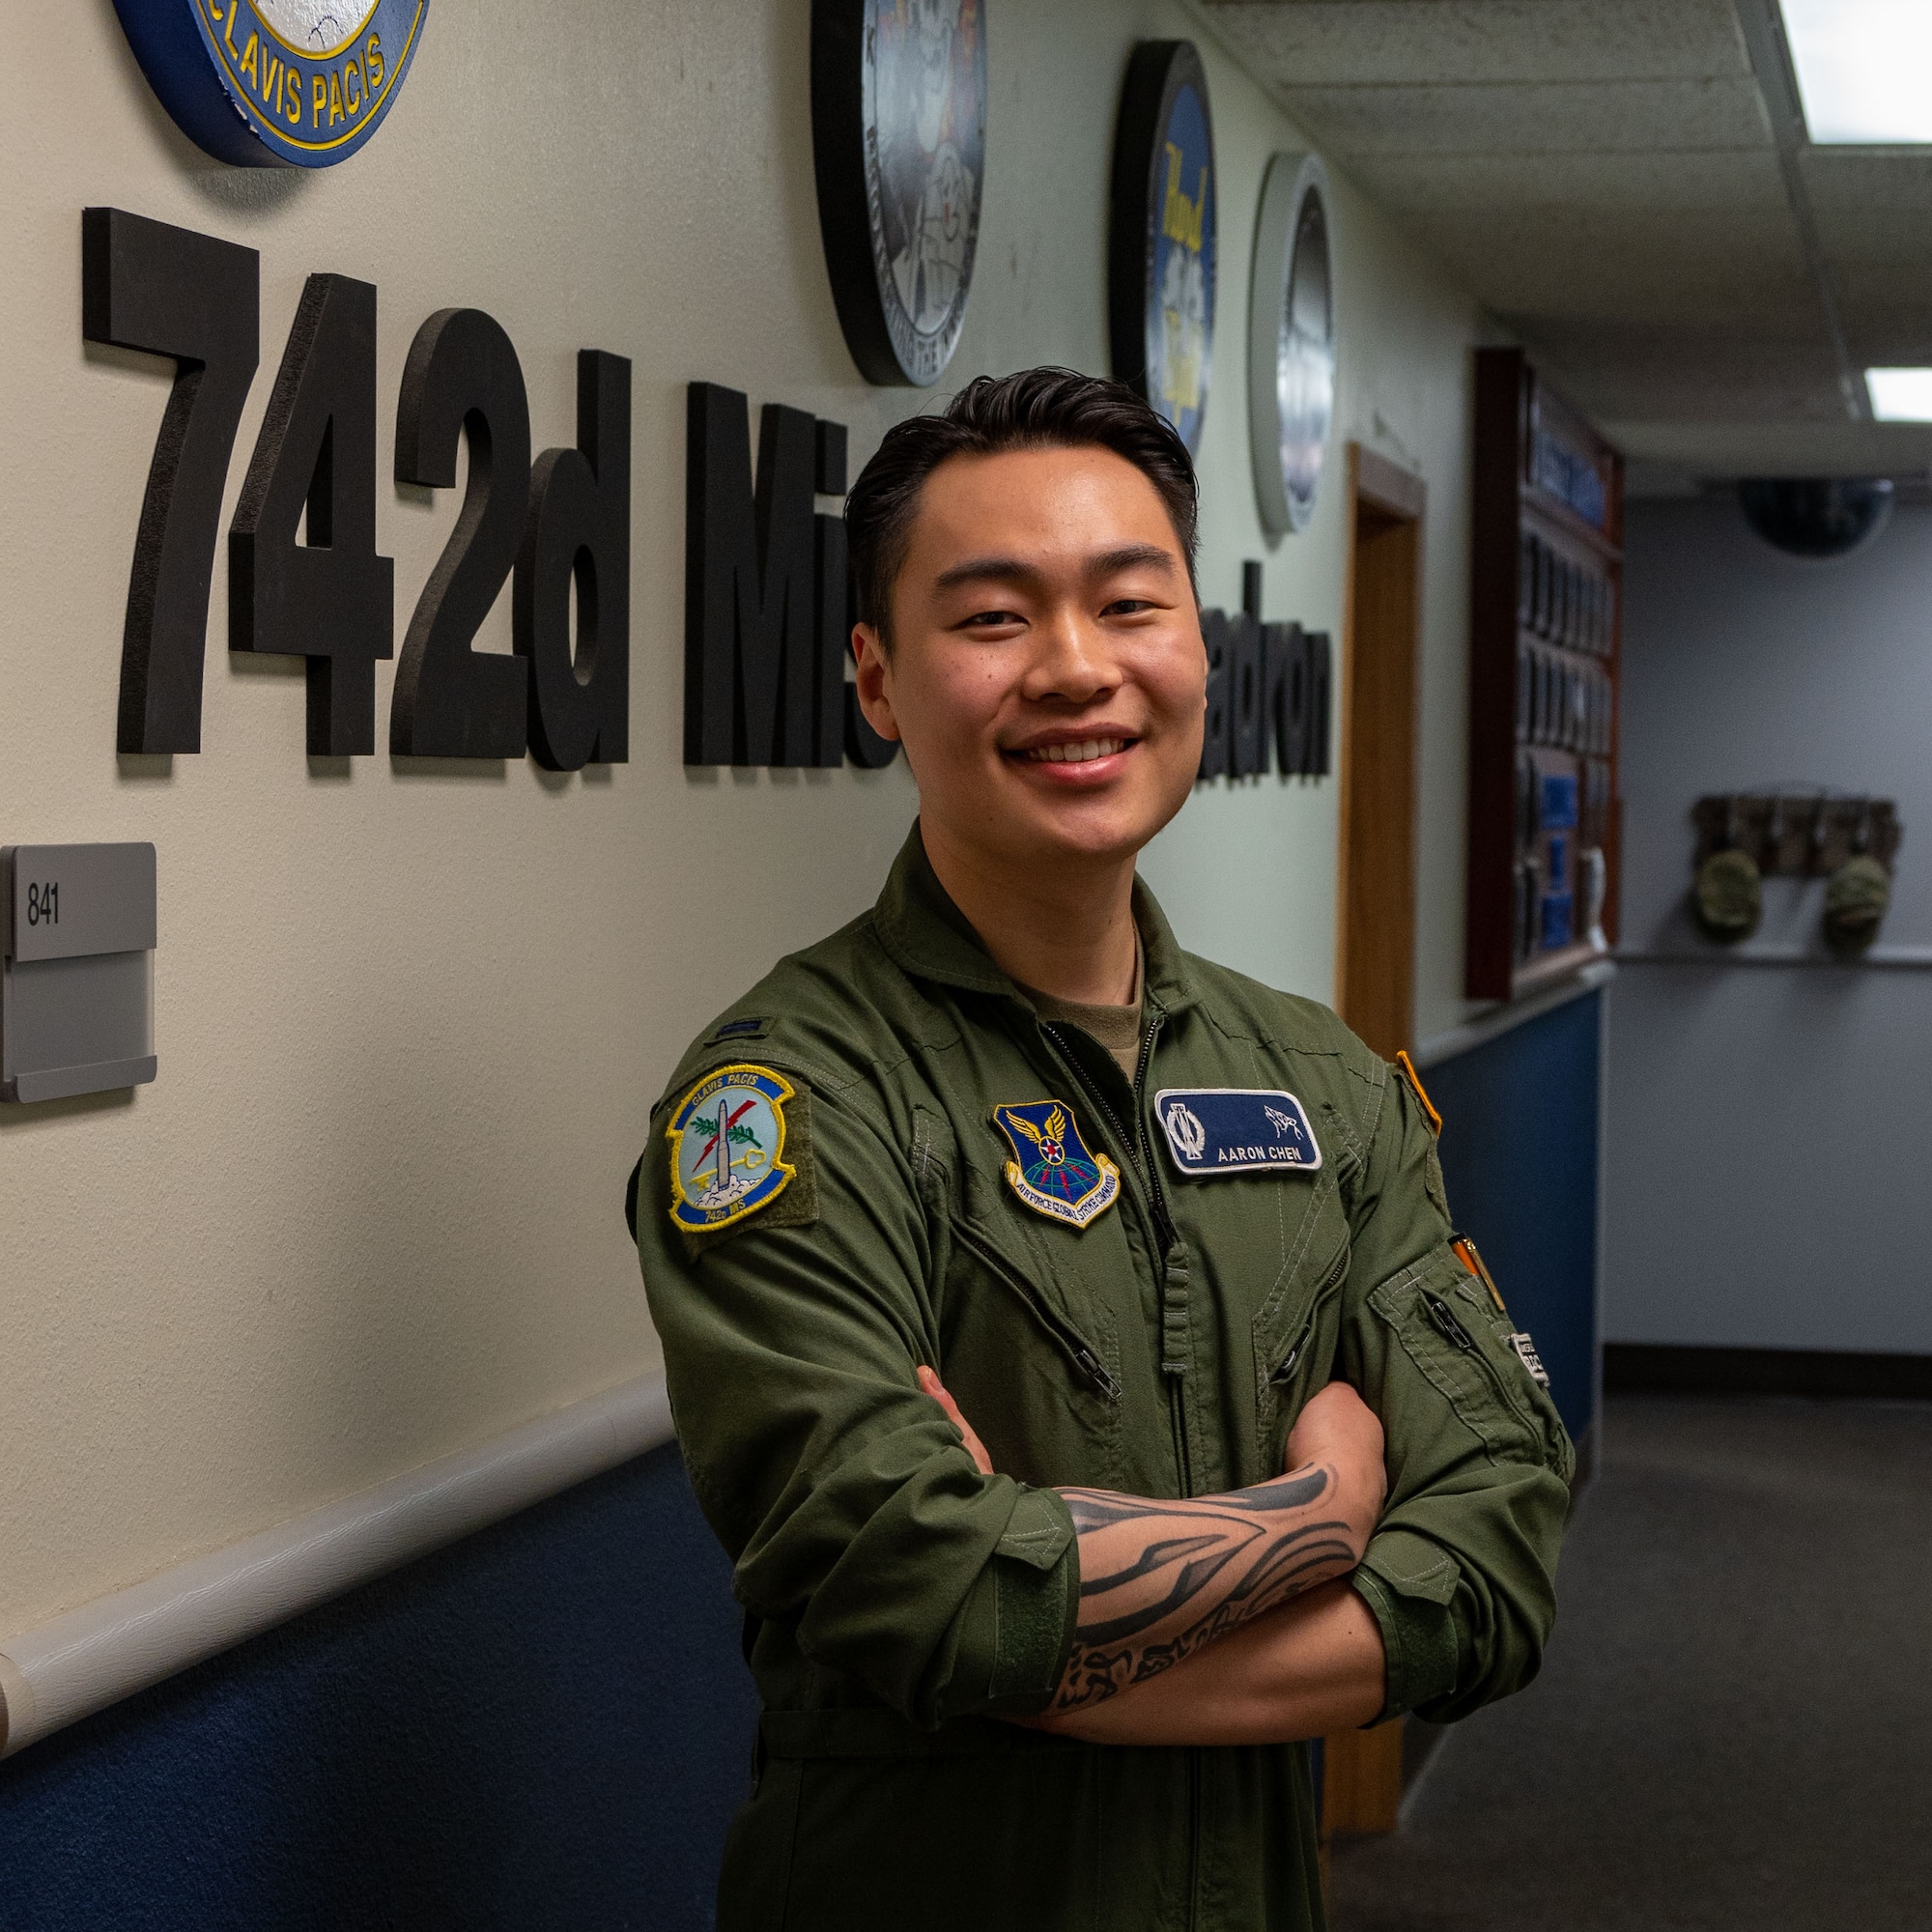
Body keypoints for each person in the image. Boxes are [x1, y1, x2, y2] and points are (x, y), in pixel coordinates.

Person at [630, 367, 1573, 1931]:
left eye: (1132, 604)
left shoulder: (1322, 1084)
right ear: (877, 679)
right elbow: (917, 1583)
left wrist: (1073, 1653)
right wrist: (1321, 1521)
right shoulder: (792, 1099)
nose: (1077, 670)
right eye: (992, 618)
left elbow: (1495, 1552)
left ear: (1199, 642)